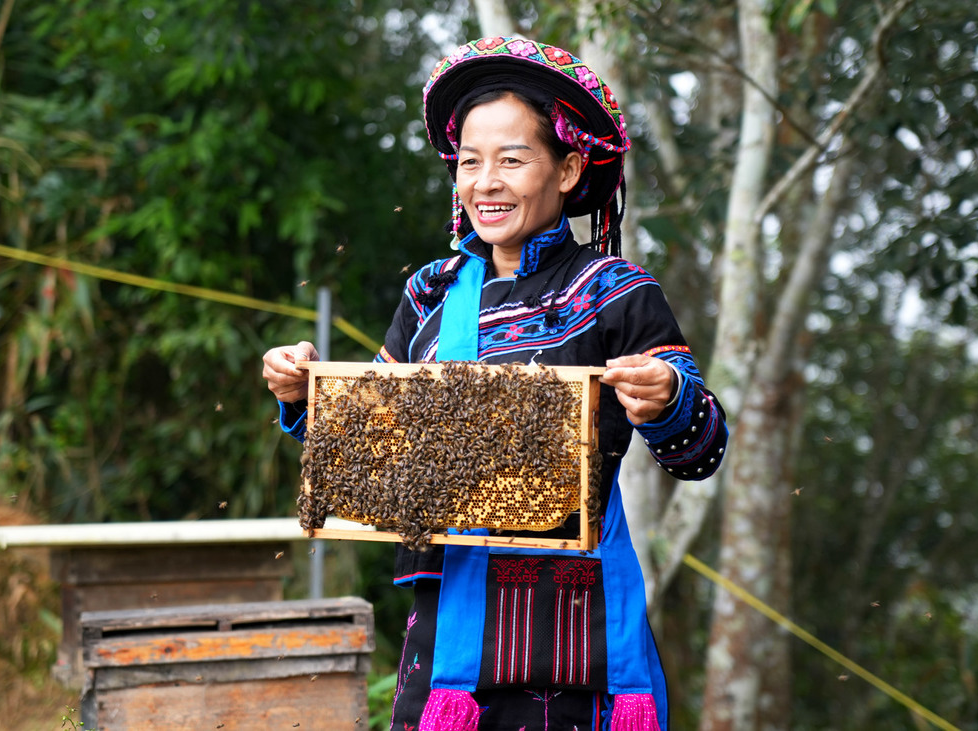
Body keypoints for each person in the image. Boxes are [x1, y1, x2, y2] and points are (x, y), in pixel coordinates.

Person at [262, 36, 728, 731]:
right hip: (448, 631)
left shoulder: (614, 291)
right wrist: (306, 395)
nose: (486, 181)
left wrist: (668, 396)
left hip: (577, 632)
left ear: (569, 169)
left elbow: (703, 450)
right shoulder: (430, 292)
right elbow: (372, 446)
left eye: (512, 159)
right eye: (471, 162)